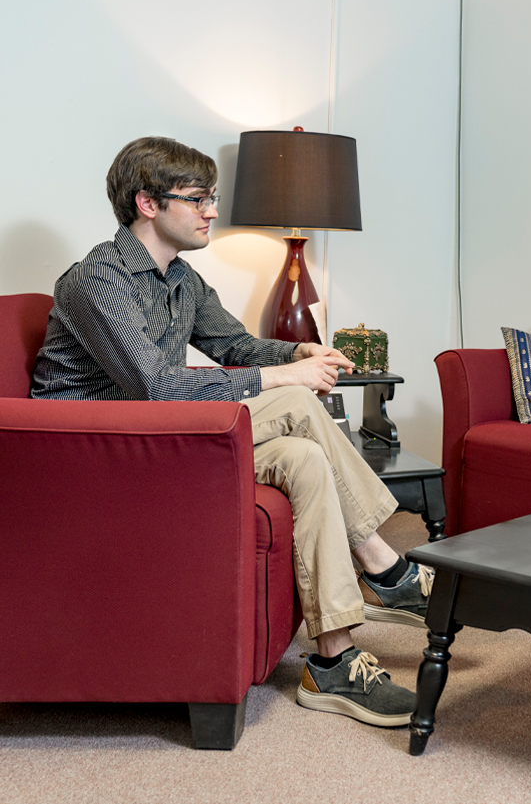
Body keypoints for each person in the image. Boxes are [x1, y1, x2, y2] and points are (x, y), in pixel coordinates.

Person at [32, 135, 432, 727]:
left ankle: (334, 662)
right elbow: (156, 389)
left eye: (211, 197)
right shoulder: (95, 279)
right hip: (96, 455)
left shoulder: (182, 281)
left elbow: (235, 346)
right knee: (294, 400)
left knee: (303, 458)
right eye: (198, 199)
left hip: (164, 437)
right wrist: (286, 375)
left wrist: (298, 346)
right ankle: (386, 566)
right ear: (148, 203)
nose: (212, 211)